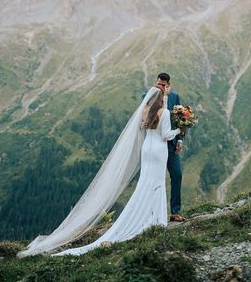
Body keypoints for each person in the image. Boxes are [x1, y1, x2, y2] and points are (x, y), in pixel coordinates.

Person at [17, 85, 180, 257]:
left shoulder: (145, 110)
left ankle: (145, 216)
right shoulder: (165, 112)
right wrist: (179, 129)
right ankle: (156, 218)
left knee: (145, 183)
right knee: (157, 182)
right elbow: (167, 135)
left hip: (147, 150)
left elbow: (144, 128)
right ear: (161, 99)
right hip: (159, 151)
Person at [155, 73, 187, 222]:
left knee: (177, 174)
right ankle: (155, 212)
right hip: (156, 145)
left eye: (164, 85)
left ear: (168, 84)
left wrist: (179, 140)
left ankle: (175, 211)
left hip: (171, 145)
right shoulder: (148, 96)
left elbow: (179, 120)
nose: (161, 87)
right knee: (157, 178)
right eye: (159, 84)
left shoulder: (175, 97)